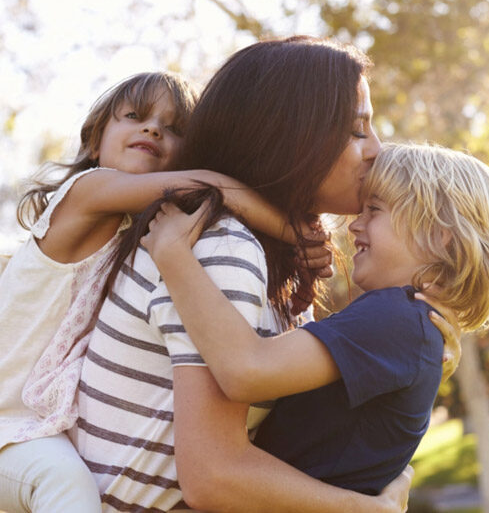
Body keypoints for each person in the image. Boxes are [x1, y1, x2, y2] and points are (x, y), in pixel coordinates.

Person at [73, 37, 455, 512]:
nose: (377, 149)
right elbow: (214, 478)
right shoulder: (221, 248)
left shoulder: (252, 253)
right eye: (358, 129)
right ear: (292, 135)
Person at [0, 70, 302, 513]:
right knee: (65, 486)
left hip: (39, 428)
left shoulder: (138, 232)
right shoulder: (86, 191)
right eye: (135, 116)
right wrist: (296, 236)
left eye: (174, 128)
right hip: (8, 426)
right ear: (94, 141)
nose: (153, 129)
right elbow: (209, 187)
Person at [143, 141, 489, 496]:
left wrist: (173, 254)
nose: (354, 225)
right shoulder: (412, 327)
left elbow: (246, 370)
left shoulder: (395, 316)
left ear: (439, 237)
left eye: (375, 209)